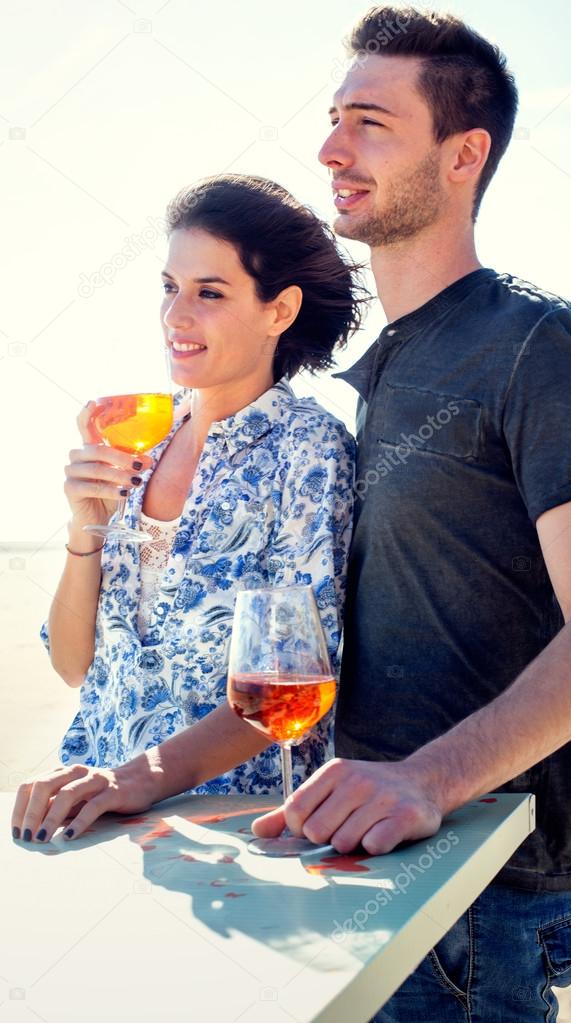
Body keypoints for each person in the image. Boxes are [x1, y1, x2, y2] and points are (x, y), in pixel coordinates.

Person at [247, 7, 571, 1021]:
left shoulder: (532, 342)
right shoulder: (386, 369)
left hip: (477, 895)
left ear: (462, 154)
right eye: (333, 117)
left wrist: (427, 780)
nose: (329, 148)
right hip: (367, 865)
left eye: (369, 123)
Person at [11, 173, 362, 843]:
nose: (176, 317)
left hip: (233, 833)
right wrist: (86, 526)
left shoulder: (308, 450)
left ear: (279, 310)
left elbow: (294, 690)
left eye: (210, 293)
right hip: (101, 821)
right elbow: (74, 665)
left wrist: (136, 779)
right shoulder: (139, 434)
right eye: (170, 288)